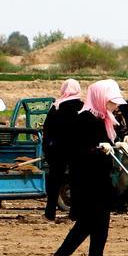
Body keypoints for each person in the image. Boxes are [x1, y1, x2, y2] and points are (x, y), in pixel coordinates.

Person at [52, 80, 127, 256]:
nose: (115, 105)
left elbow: (112, 138)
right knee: (89, 220)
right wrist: (97, 149)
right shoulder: (83, 119)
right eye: (111, 101)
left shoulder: (105, 118)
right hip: (85, 179)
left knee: (102, 221)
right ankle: (62, 254)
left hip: (101, 177)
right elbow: (76, 150)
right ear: (101, 98)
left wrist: (121, 142)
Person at [41, 78, 83, 222]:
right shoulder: (82, 107)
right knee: (76, 181)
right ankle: (75, 213)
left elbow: (47, 131)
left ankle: (50, 213)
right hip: (77, 151)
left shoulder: (57, 107)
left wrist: (47, 151)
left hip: (58, 151)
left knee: (54, 183)